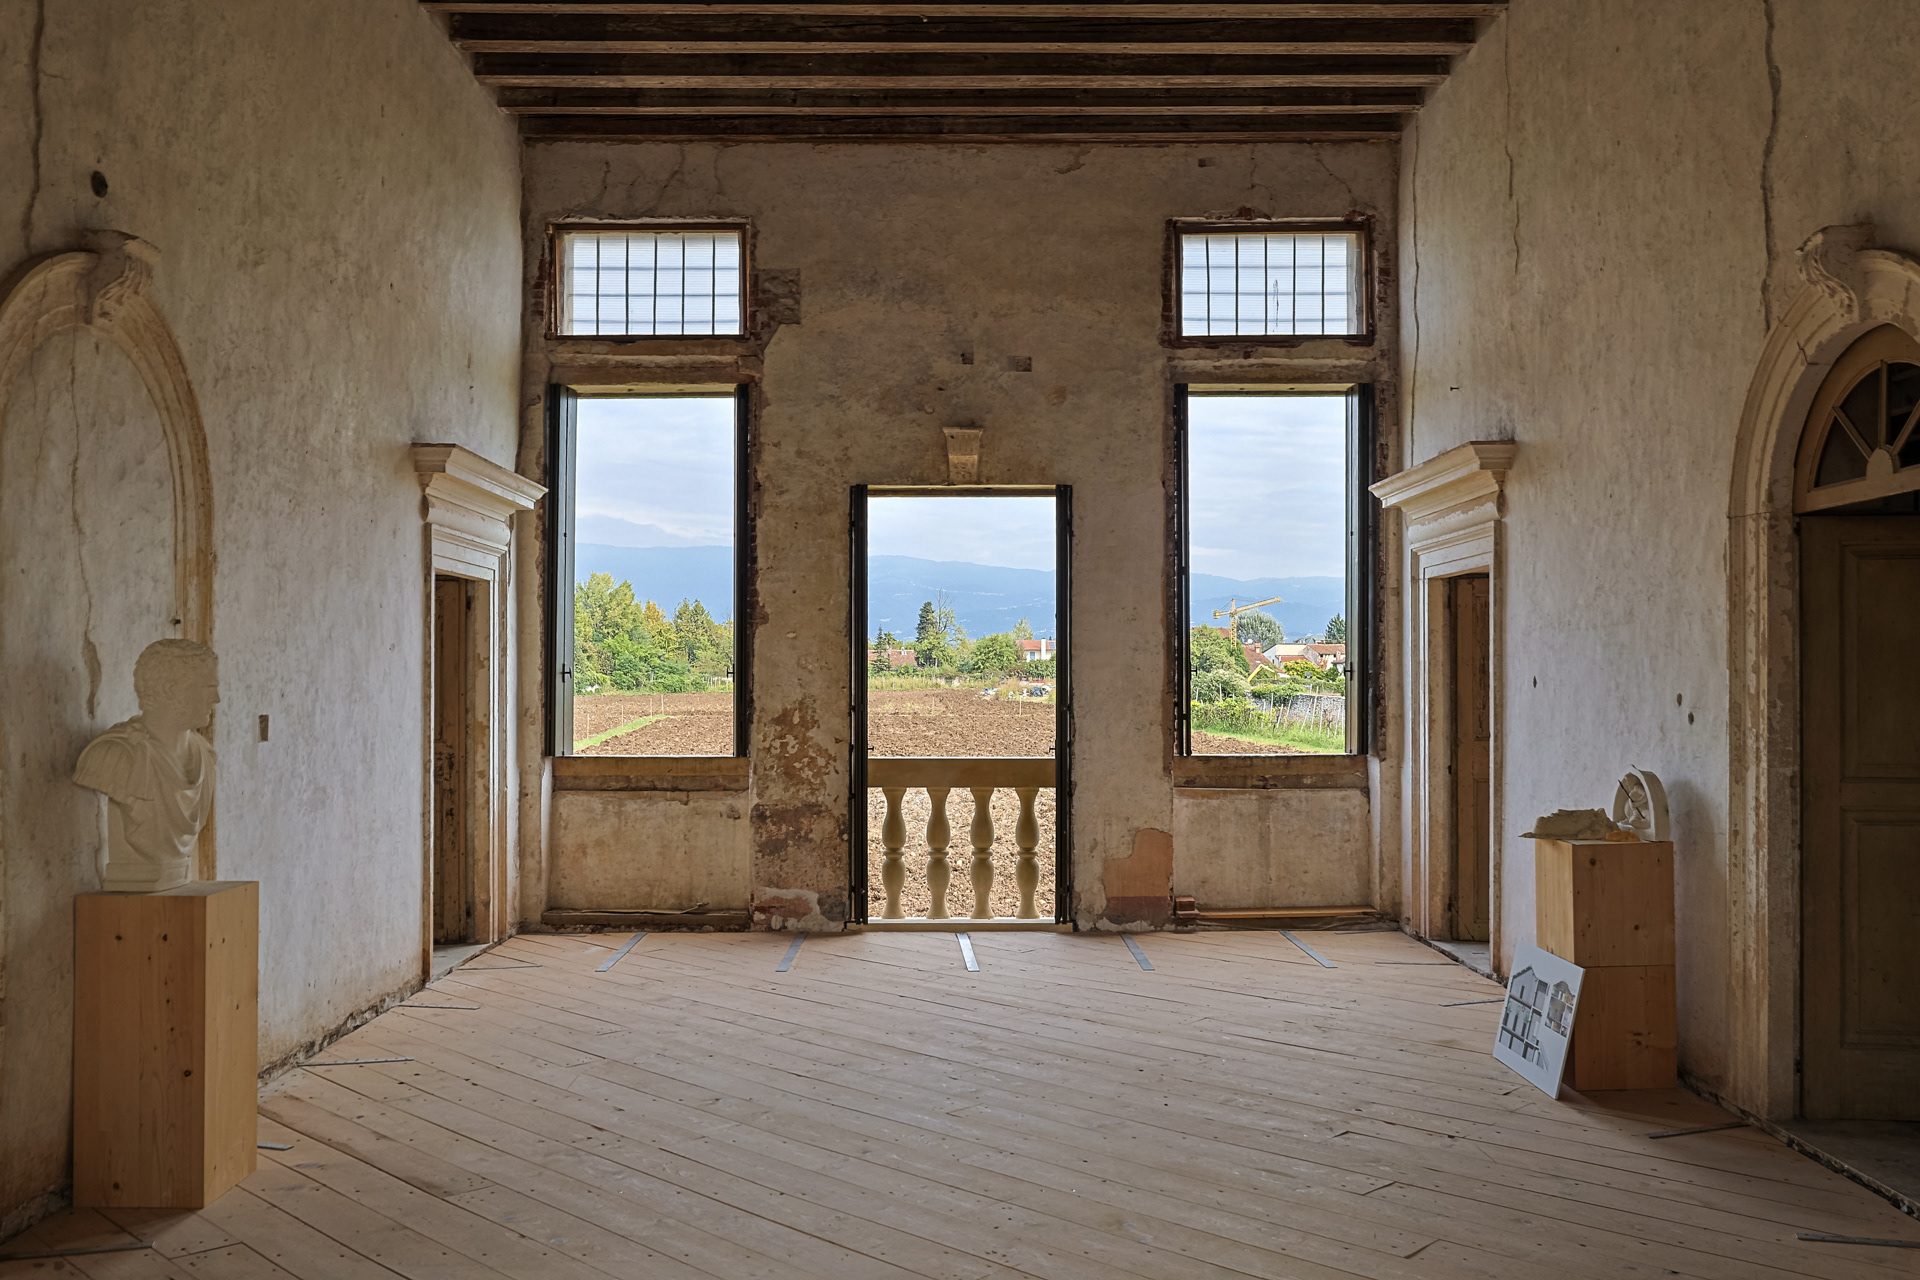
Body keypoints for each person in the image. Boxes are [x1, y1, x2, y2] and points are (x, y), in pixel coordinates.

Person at [73, 638, 219, 892]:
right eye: (208, 688)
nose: (216, 698)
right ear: (172, 690)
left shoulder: (204, 755)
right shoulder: (117, 755)